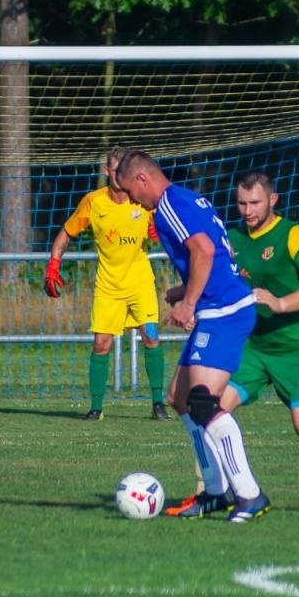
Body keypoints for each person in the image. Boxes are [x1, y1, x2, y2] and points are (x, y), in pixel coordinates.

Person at [165, 171, 299, 517]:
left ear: (273, 200)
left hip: (298, 347)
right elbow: (218, 278)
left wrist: (281, 302)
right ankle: (210, 492)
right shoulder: (233, 238)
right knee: (205, 406)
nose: (247, 210)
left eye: (254, 202)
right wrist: (185, 295)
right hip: (251, 347)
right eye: (241, 203)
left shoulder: (293, 236)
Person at [116, 151, 269, 522]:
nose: (132, 201)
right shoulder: (185, 198)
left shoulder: (169, 203)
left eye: (129, 192)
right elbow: (212, 254)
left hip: (224, 311)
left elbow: (203, 249)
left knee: (202, 402)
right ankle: (215, 492)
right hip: (218, 306)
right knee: (179, 398)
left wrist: (190, 302)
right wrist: (184, 291)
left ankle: (249, 494)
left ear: (142, 180)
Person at [44, 146, 170, 420]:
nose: (121, 175)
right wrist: (53, 264)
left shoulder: (142, 199)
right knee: (101, 343)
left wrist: (157, 229)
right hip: (108, 284)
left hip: (140, 281)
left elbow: (166, 231)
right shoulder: (94, 202)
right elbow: (66, 232)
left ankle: (158, 403)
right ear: (107, 171)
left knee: (150, 336)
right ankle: (96, 407)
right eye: (116, 170)